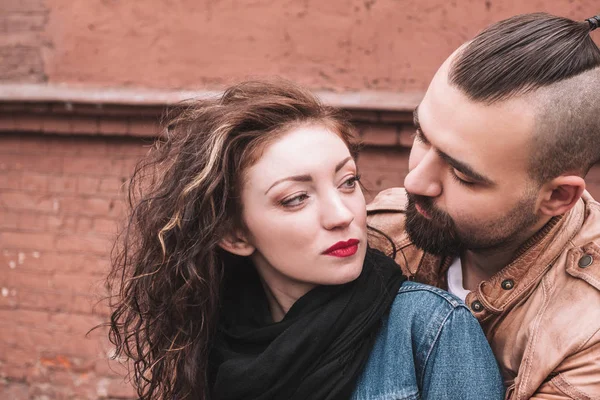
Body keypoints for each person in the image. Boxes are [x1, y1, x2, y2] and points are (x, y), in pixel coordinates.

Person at [106, 80, 504, 400]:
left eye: (348, 183)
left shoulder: (429, 328)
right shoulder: (220, 341)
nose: (342, 215)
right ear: (235, 234)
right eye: (296, 198)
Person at [367, 12, 600, 399]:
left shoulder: (587, 331)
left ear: (557, 197)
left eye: (463, 177)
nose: (413, 182)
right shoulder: (379, 232)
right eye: (421, 136)